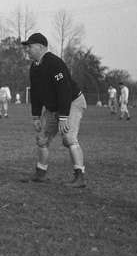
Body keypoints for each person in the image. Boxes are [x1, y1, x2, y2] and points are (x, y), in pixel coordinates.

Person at [21, 33, 88, 188]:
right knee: (42, 139)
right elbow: (36, 93)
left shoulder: (55, 63)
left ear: (40, 47)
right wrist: (36, 116)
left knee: (69, 137)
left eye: (30, 46)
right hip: (54, 107)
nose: (27, 50)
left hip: (72, 102)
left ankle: (80, 177)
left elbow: (64, 90)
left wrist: (64, 116)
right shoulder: (34, 67)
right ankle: (41, 173)